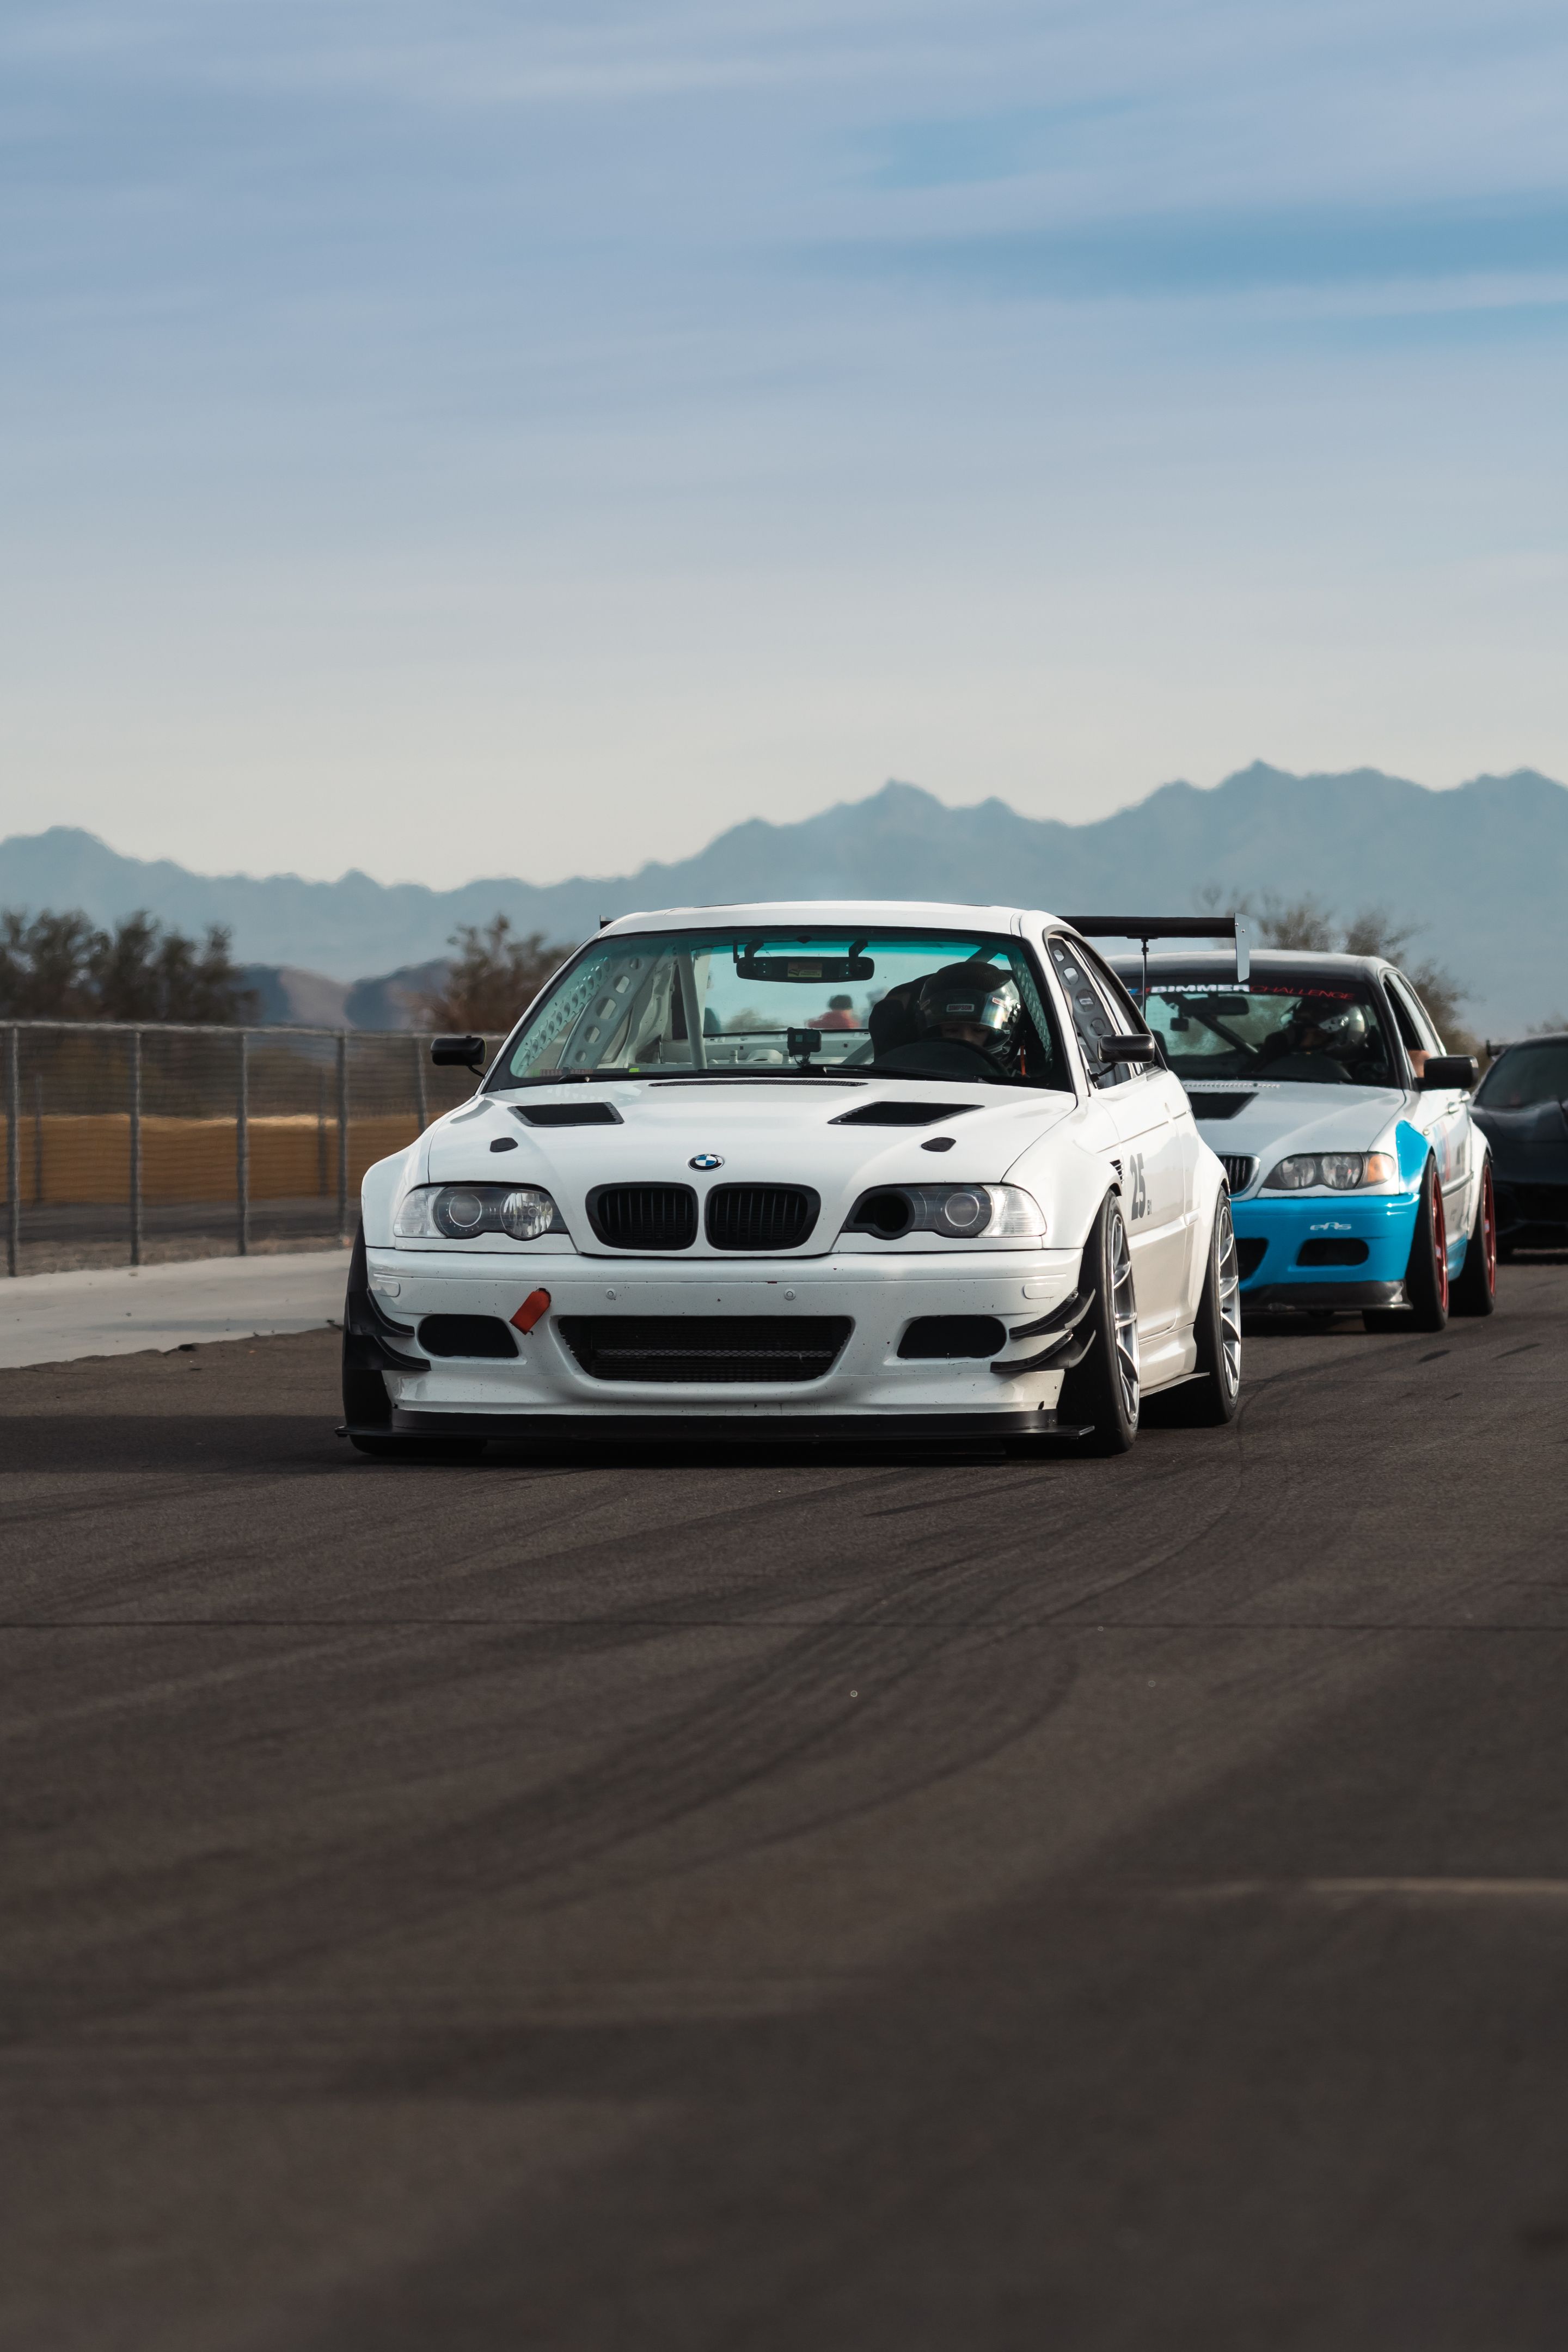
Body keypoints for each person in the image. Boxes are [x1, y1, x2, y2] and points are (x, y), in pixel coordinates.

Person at [873, 963, 1022, 1079]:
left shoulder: (1029, 1088)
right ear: (936, 1032)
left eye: (978, 1030)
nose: (966, 1039)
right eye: (952, 1030)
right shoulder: (902, 1076)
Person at [1254, 993, 1363, 1083]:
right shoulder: (1263, 1067)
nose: (1305, 1044)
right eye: (1300, 1033)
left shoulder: (1366, 1080)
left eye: (1317, 1035)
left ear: (1341, 1039)